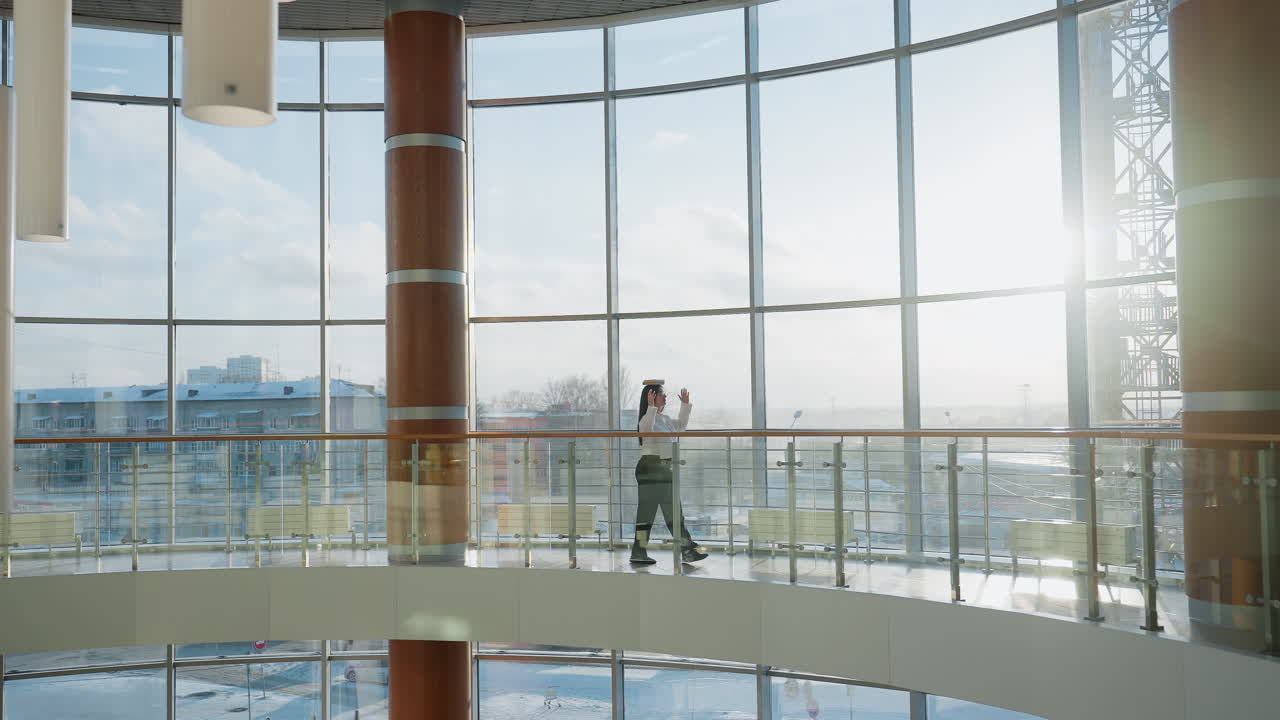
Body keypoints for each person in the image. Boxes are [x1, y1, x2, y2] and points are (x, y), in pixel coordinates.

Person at [631, 379, 708, 565]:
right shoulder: (646, 419)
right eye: (661, 393)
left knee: (671, 513)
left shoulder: (664, 419)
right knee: (650, 515)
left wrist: (685, 405)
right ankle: (686, 549)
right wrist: (650, 407)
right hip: (651, 467)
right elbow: (646, 429)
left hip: (664, 469)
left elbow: (681, 426)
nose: (665, 396)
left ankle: (642, 551)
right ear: (652, 396)